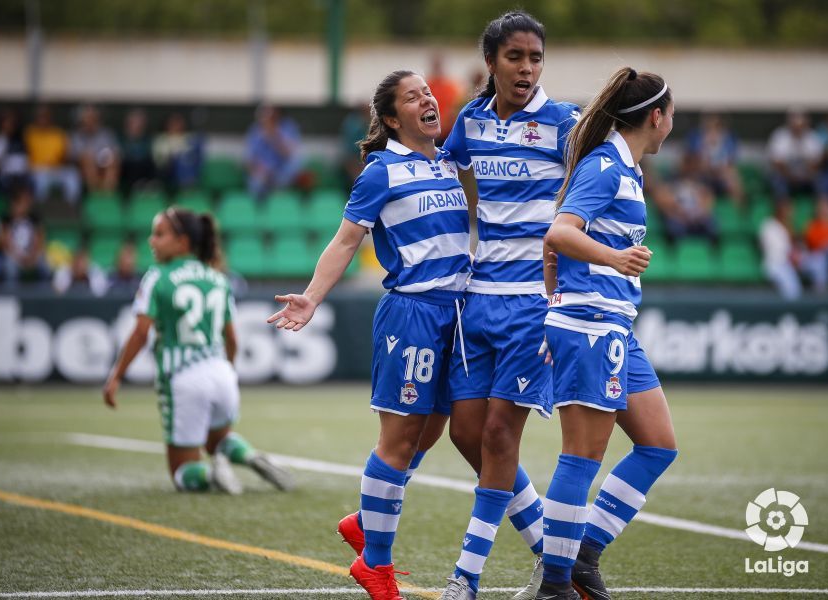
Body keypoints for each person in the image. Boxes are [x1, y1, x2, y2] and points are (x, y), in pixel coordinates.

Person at [268, 70, 471, 600]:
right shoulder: (382, 171)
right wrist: (312, 296)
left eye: (428, 92)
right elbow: (344, 242)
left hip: (458, 314)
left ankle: (365, 520)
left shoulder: (449, 159)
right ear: (390, 118)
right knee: (399, 439)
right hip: (413, 315)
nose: (428, 99)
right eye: (413, 96)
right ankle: (374, 565)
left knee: (432, 430)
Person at [438, 12, 580, 600]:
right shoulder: (470, 120)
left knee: (499, 434)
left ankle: (465, 577)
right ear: (491, 61)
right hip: (479, 299)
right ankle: (557, 560)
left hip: (532, 305)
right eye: (516, 57)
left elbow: (594, 194)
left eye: (536, 58)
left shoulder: (566, 124)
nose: (527, 68)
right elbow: (443, 177)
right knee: (466, 435)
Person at [539, 67, 679, 600]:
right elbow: (559, 231)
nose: (672, 126)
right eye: (672, 117)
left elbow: (555, 245)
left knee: (658, 445)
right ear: (655, 117)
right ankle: (556, 585)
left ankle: (584, 554)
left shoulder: (628, 168)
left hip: (613, 324)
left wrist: (557, 289)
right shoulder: (606, 165)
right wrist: (615, 259)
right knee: (581, 457)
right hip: (592, 326)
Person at [103, 207, 294, 495]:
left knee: (182, 472)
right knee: (217, 439)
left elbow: (141, 331)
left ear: (182, 242)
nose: (151, 241)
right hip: (221, 374)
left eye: (159, 234)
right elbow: (232, 339)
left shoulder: (158, 276)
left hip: (182, 377)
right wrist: (227, 370)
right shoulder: (218, 278)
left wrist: (116, 375)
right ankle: (248, 455)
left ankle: (210, 476)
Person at [766, 109, 828, 205]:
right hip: (786, 176)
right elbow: (777, 163)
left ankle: (822, 211)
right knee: (777, 181)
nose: (798, 129)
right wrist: (790, 176)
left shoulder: (812, 137)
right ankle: (783, 210)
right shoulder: (780, 136)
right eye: (795, 126)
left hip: (807, 177)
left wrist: (806, 174)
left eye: (801, 126)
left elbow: (817, 163)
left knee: (822, 181)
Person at [244, 105, 304, 200]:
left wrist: (273, 136)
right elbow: (249, 160)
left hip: (282, 172)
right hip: (263, 173)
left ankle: (279, 197)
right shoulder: (255, 130)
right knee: (255, 182)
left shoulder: (287, 127)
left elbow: (289, 154)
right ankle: (260, 208)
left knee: (296, 162)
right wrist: (259, 170)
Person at [24, 105, 82, 204]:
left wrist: (64, 160)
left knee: (73, 175)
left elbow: (66, 154)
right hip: (37, 169)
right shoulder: (30, 132)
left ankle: (71, 206)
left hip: (56, 168)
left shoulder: (58, 133)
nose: (43, 120)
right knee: (41, 179)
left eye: (46, 117)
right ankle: (41, 206)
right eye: (41, 117)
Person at [684, 113, 744, 205]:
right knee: (692, 180)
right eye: (709, 125)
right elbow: (692, 161)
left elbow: (730, 162)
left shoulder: (727, 138)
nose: (713, 128)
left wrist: (720, 169)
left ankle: (737, 213)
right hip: (701, 173)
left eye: (716, 125)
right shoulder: (696, 137)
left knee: (733, 178)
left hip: (721, 173)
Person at [1, 184, 49, 282]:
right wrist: (19, 257)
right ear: (14, 203)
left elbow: (40, 240)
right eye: (23, 202)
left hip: (31, 255)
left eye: (28, 201)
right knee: (9, 266)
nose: (27, 204)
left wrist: (32, 256)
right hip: (14, 256)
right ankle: (11, 294)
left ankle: (43, 294)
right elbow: (6, 243)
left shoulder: (35, 218)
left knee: (45, 265)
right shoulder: (7, 220)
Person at [71, 105, 120, 193]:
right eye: (87, 119)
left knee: (112, 162)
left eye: (93, 119)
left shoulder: (106, 134)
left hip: (102, 165)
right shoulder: (77, 136)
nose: (90, 122)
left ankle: (106, 194)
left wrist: (105, 159)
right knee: (88, 161)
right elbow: (74, 156)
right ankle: (94, 194)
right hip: (82, 168)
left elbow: (113, 151)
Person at [153, 112, 203, 192]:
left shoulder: (188, 138)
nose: (176, 126)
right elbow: (159, 161)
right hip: (166, 173)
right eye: (173, 123)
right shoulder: (162, 139)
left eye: (179, 123)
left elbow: (194, 158)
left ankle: (187, 188)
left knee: (184, 163)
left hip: (184, 175)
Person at [119, 108, 157, 194]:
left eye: (140, 124)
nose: (137, 126)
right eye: (134, 123)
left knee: (148, 162)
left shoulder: (147, 140)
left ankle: (149, 184)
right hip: (127, 169)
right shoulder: (121, 139)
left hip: (144, 168)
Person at [425, 52, 462, 141]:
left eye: (438, 64)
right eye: (435, 64)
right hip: (430, 128)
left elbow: (455, 110)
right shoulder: (426, 85)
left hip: (445, 132)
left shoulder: (451, 87)